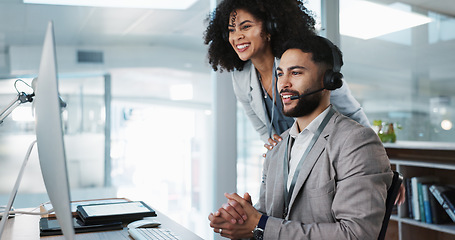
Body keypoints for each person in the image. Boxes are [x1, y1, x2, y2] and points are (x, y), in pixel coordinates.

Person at [208, 36, 393, 239]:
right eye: (280, 74)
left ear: (328, 81)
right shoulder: (276, 150)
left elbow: (357, 234)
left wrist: (259, 224)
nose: (283, 84)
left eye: (295, 73)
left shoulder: (357, 142)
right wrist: (242, 221)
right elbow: (268, 221)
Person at [204, 0, 370, 151]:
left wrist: (376, 158)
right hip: (292, 160)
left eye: (246, 27)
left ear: (270, 28)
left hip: (334, 151)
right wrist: (274, 145)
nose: (237, 36)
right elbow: (263, 129)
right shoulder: (240, 78)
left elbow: (352, 114)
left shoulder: (304, 60)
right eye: (231, 30)